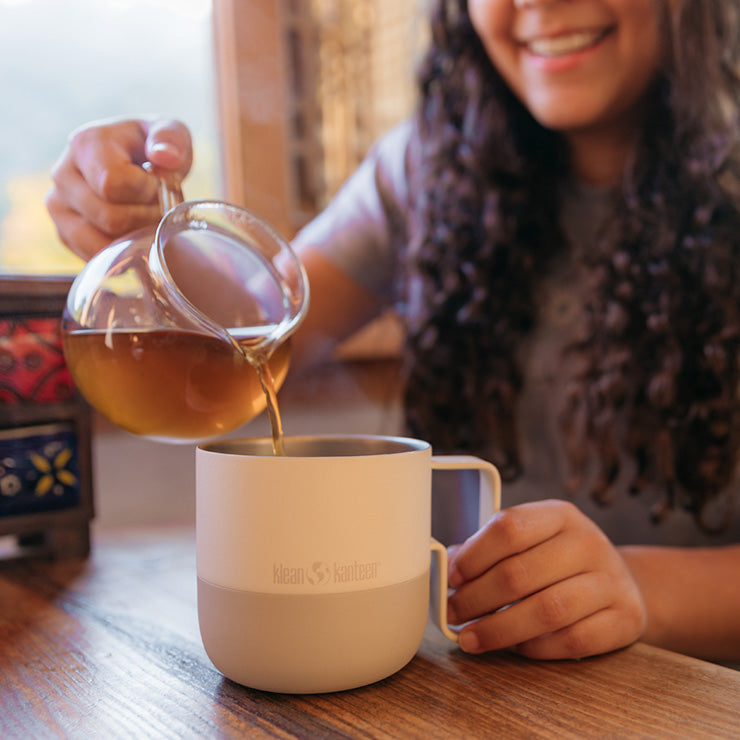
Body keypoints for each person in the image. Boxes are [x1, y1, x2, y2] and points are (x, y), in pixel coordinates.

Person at [46, 0, 740, 664]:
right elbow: (253, 334)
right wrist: (143, 222)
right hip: (472, 673)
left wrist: (639, 589)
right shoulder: (428, 170)